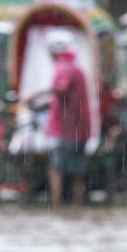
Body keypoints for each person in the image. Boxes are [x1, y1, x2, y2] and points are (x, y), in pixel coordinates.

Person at [39, 30, 92, 209]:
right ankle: (78, 208)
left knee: (55, 169)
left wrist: (37, 95)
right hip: (82, 130)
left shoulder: (63, 67)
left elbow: (61, 87)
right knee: (78, 174)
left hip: (66, 130)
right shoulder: (77, 68)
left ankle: (55, 207)